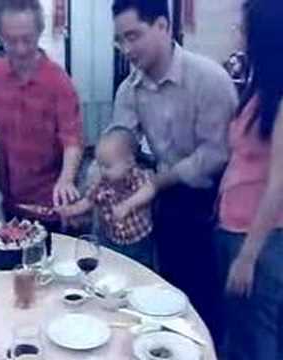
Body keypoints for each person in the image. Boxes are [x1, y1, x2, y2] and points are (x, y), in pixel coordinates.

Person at [111, 0, 238, 339]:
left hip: (213, 202)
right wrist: (106, 172)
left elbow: (217, 152)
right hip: (164, 196)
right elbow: (120, 140)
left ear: (163, 27)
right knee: (165, 292)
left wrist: (157, 182)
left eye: (133, 36)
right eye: (120, 40)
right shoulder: (129, 89)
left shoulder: (210, 80)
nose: (126, 49)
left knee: (206, 302)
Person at [0, 0, 83, 233]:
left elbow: (72, 140)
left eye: (27, 39)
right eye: (12, 40)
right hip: (8, 197)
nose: (20, 49)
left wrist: (67, 179)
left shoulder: (58, 82)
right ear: (0, 35)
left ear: (40, 31)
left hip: (49, 203)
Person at [214, 0, 283, 359]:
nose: (238, 35)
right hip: (231, 227)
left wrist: (249, 256)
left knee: (260, 337)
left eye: (245, 28)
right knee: (237, 332)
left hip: (261, 242)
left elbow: (278, 185)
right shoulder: (259, 88)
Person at [58, 126, 154, 267]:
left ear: (129, 162)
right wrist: (70, 210)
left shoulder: (139, 177)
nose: (102, 171)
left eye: (107, 166)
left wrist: (127, 205)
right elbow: (87, 202)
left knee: (140, 272)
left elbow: (150, 189)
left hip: (138, 243)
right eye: (100, 164)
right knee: (110, 268)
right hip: (111, 240)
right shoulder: (102, 182)